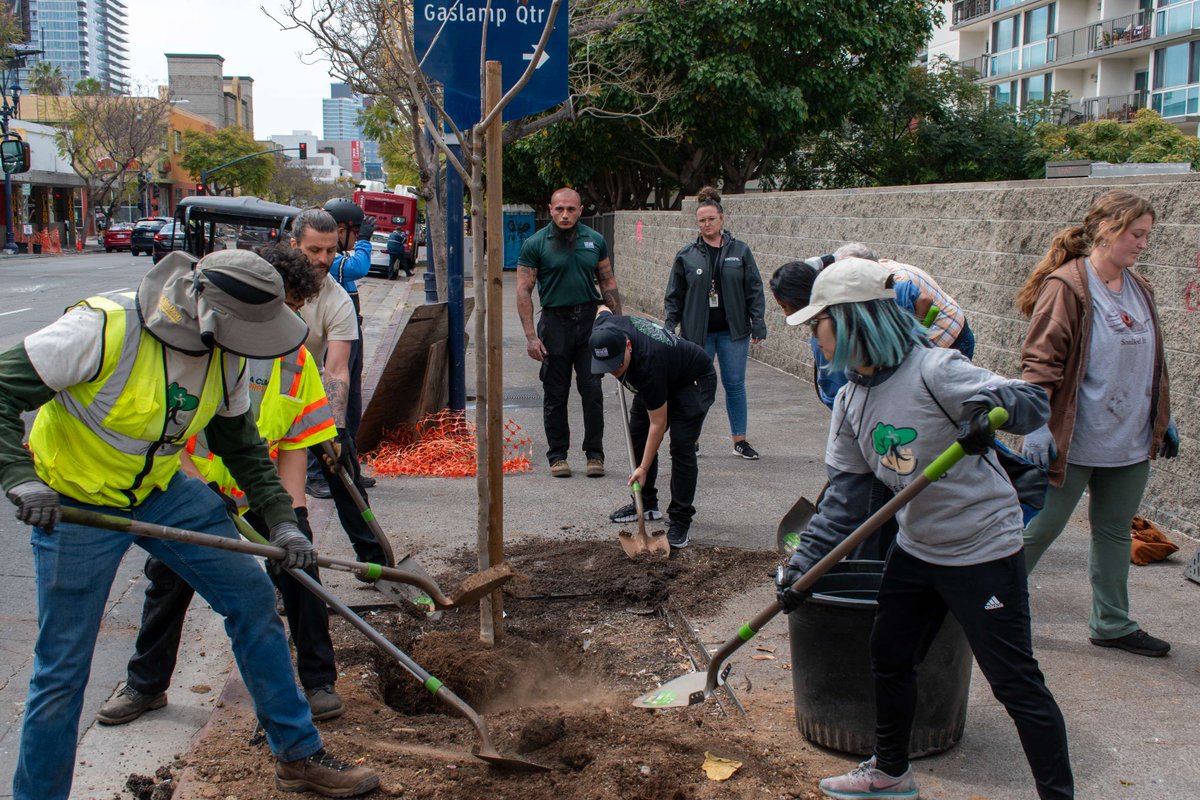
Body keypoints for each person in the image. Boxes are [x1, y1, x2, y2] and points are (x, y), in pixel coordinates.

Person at [0, 249, 378, 799]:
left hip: (160, 489)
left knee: (251, 601)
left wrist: (282, 522)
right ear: (212, 316)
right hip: (75, 497)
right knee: (62, 669)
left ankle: (297, 755)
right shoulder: (102, 328)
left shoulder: (227, 353)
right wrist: (19, 475)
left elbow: (243, 446)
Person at [777, 258, 1073, 800]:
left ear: (849, 322)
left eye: (816, 322)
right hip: (917, 548)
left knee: (1014, 682)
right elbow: (844, 501)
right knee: (890, 656)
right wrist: (800, 570)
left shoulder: (935, 370)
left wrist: (993, 414)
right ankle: (891, 771)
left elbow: (1032, 403)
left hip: (982, 547)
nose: (812, 335)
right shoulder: (850, 401)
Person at [98, 244, 347, 728]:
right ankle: (146, 684)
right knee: (169, 578)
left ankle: (319, 681)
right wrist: (198, 492)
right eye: (280, 309)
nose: (286, 323)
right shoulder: (198, 348)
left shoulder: (295, 361)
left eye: (294, 309)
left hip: (263, 489)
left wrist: (288, 519)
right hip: (193, 485)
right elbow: (172, 436)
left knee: (300, 570)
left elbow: (295, 442)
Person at [1017, 190, 1176, 658]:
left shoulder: (1138, 287)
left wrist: (1161, 418)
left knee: (1114, 530)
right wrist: (1036, 424)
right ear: (1107, 230)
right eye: (1136, 234)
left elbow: (1153, 360)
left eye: (1147, 235)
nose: (1143, 244)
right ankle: (986, 605)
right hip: (1072, 440)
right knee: (1038, 529)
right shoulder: (1067, 287)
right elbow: (1040, 361)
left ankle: (1111, 623)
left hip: (1128, 438)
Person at [291, 208, 390, 567]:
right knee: (276, 500)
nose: (324, 259)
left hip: (306, 395)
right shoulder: (268, 287)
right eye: (314, 251)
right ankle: (287, 573)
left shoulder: (337, 300)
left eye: (331, 251)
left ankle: (374, 559)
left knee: (344, 468)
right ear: (293, 245)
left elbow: (336, 370)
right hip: (255, 404)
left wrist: (336, 428)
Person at [516, 187, 621, 479]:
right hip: (554, 324)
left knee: (592, 392)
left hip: (589, 323)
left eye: (571, 209)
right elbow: (524, 291)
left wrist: (620, 328)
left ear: (580, 209)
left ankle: (594, 455)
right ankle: (558, 456)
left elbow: (608, 282)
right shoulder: (535, 244)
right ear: (550, 209)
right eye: (560, 209)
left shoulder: (595, 240)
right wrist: (530, 336)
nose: (565, 214)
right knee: (555, 393)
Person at [591, 307, 716, 548]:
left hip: (693, 380)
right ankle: (645, 503)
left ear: (628, 345)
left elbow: (658, 424)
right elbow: (602, 309)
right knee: (636, 433)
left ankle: (680, 519)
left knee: (681, 445)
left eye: (617, 365)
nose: (613, 371)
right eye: (606, 366)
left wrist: (643, 468)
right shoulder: (603, 332)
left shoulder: (649, 362)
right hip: (659, 377)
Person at [664, 186, 767, 460]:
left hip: (733, 332)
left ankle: (740, 440)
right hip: (698, 334)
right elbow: (674, 294)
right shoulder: (687, 255)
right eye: (702, 220)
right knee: (695, 386)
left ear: (721, 219)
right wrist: (669, 324)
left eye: (711, 219)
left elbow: (754, 288)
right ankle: (691, 439)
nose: (707, 224)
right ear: (697, 223)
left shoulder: (740, 251)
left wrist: (758, 321)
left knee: (735, 384)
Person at [305, 198, 376, 498]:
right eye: (354, 231)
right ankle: (315, 471)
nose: (325, 256)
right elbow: (359, 267)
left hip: (350, 331)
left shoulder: (335, 263)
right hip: (333, 340)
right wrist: (366, 243)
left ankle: (347, 462)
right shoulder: (330, 262)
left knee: (352, 404)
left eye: (331, 248)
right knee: (327, 399)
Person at [833, 243, 975, 359]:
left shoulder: (892, 283)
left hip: (950, 335)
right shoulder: (877, 271)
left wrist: (915, 336)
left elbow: (925, 301)